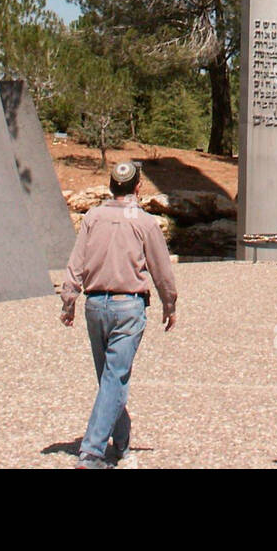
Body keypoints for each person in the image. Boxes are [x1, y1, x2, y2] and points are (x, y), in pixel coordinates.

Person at [60, 160, 177, 469]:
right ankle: (92, 453)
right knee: (114, 378)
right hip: (128, 306)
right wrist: (170, 302)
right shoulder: (145, 222)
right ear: (138, 187)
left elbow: (76, 261)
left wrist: (69, 299)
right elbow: (161, 269)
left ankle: (121, 443)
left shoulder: (92, 217)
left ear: (111, 186)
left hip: (95, 305)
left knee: (109, 378)